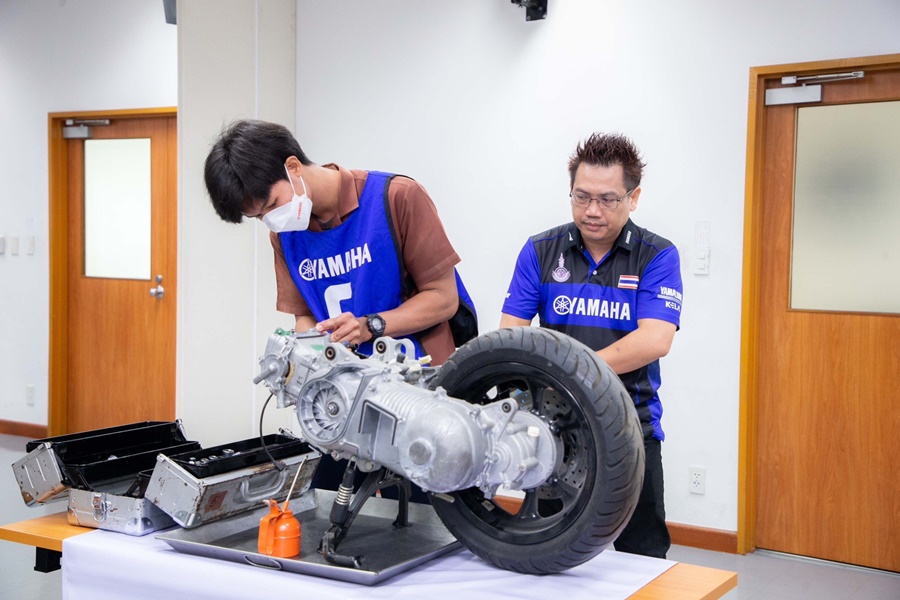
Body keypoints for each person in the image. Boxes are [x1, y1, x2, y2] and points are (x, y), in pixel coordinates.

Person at [204, 118, 474, 502]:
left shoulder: (396, 197)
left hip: (420, 397)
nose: (270, 220)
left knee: (424, 518)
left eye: (272, 206)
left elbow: (443, 298)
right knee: (329, 511)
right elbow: (304, 318)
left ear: (293, 167)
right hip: (344, 404)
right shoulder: (284, 236)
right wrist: (306, 358)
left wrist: (371, 326)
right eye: (258, 218)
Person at [499, 132, 682, 559]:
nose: (592, 211)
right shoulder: (540, 250)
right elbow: (510, 336)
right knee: (548, 550)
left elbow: (655, 339)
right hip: (553, 430)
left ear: (633, 198)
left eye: (607, 199)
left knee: (642, 555)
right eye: (581, 197)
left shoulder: (656, 255)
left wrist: (571, 371)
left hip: (630, 427)